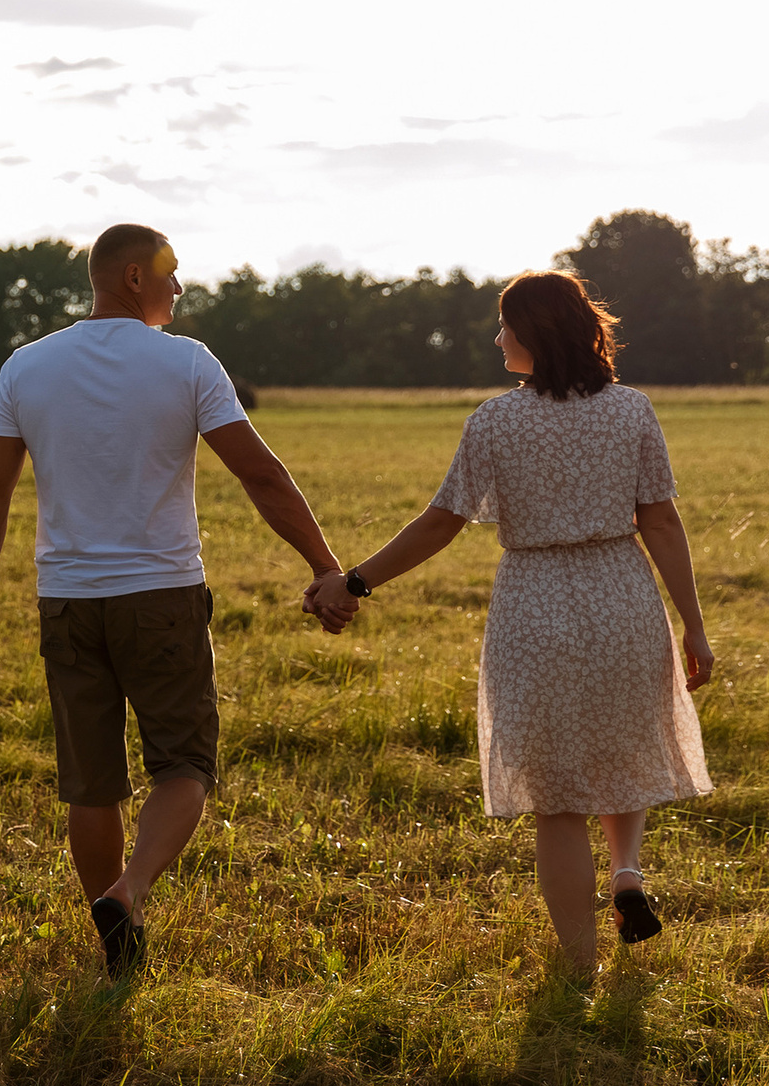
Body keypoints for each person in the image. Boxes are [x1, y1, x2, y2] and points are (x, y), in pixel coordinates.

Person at [0, 223, 357, 977]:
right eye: (171, 274)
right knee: (185, 765)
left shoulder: (26, 366)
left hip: (67, 601)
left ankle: (116, 950)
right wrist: (324, 565)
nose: (179, 288)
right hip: (163, 595)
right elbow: (261, 474)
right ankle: (131, 890)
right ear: (134, 276)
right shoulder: (187, 363)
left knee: (91, 780)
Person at [304, 269, 712, 982]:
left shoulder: (495, 420)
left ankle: (579, 968)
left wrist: (357, 580)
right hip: (622, 595)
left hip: (536, 605)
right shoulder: (632, 411)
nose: (497, 338)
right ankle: (626, 871)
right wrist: (694, 627)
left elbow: (440, 523)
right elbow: (663, 523)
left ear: (531, 333)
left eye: (504, 325)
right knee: (620, 749)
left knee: (555, 798)